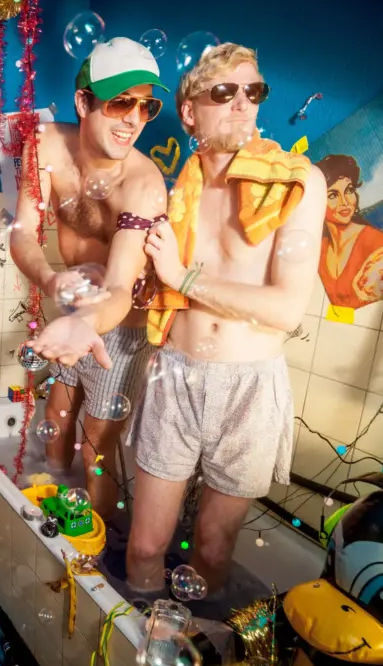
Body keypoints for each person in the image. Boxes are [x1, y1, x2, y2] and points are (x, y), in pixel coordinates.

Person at [124, 42, 326, 597]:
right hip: (175, 375)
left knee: (212, 550)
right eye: (224, 91)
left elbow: (286, 309)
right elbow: (154, 288)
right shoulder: (174, 194)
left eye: (253, 91)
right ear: (190, 111)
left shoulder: (297, 185)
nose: (243, 104)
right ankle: (138, 658)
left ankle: (192, 660)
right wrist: (150, 283)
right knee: (144, 547)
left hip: (250, 386)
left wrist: (182, 277)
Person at [10, 37, 168, 520]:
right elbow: (23, 232)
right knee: (55, 421)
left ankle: (97, 562)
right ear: (84, 101)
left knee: (95, 448)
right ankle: (49, 523)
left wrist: (87, 321)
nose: (134, 119)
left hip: (120, 329)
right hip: (74, 308)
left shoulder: (143, 184)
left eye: (147, 106)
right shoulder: (44, 146)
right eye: (121, 101)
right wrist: (49, 280)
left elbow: (120, 287)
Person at [314, 153, 383, 309]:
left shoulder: (375, 244)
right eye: (333, 195)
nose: (345, 202)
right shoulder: (319, 249)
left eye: (349, 190)